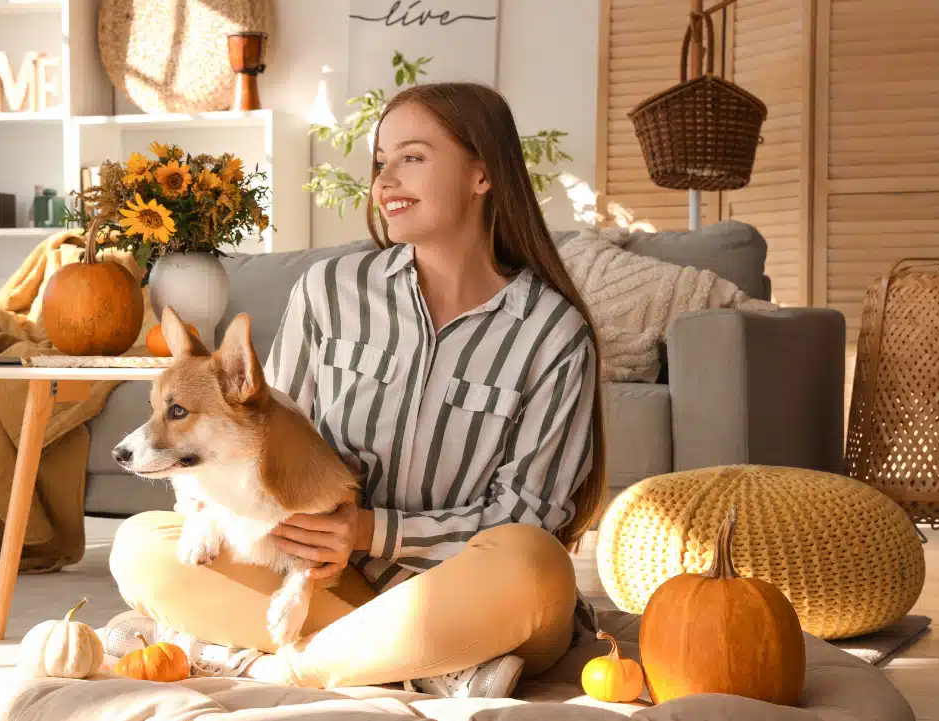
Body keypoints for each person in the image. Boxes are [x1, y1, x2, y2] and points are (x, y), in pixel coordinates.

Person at [105, 81, 607, 699]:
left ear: (483, 174)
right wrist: (232, 516)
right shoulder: (328, 290)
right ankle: (427, 666)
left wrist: (371, 532)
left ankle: (280, 663)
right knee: (142, 548)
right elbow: (256, 439)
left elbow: (531, 512)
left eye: (412, 158)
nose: (385, 180)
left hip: (472, 591)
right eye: (380, 163)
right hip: (326, 582)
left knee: (534, 564)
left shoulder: (553, 334)